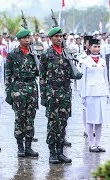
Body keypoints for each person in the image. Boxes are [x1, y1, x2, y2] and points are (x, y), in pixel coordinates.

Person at [39, 26, 75, 164]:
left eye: (61, 36)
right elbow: (42, 77)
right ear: (51, 38)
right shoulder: (46, 54)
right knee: (53, 123)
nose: (59, 39)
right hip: (52, 93)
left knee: (63, 123)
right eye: (56, 37)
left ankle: (60, 152)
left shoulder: (67, 53)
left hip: (65, 93)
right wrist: (43, 96)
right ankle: (52, 153)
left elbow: (72, 73)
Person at [5, 29, 39, 157]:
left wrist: (37, 59)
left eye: (28, 37)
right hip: (18, 88)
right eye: (24, 38)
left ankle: (29, 147)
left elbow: (39, 71)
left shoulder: (33, 54)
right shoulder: (12, 55)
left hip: (32, 87)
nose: (27, 40)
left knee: (31, 118)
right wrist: (8, 92)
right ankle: (20, 147)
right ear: (19, 40)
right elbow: (7, 75)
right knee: (20, 118)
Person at [80, 38, 109, 153]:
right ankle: (91, 144)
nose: (96, 49)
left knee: (100, 119)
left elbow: (105, 78)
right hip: (90, 93)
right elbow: (83, 79)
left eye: (98, 47)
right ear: (89, 47)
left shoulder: (102, 61)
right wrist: (83, 95)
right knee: (90, 119)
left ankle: (98, 143)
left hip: (101, 92)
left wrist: (107, 93)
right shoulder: (85, 61)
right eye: (94, 47)